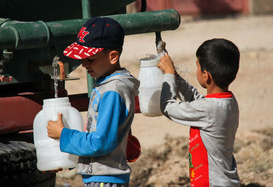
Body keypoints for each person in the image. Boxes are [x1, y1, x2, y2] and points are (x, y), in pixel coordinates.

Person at [47, 17, 140, 187]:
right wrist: (63, 159)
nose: (83, 64)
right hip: (101, 177)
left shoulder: (113, 90)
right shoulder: (106, 85)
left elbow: (101, 142)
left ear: (113, 57)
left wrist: (63, 135)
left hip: (105, 179)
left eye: (90, 59)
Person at [157, 38, 241, 186]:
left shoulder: (208, 108)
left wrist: (168, 75)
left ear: (206, 75)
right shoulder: (228, 101)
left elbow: (167, 107)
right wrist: (176, 76)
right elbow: (195, 99)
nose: (196, 69)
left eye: (197, 66)